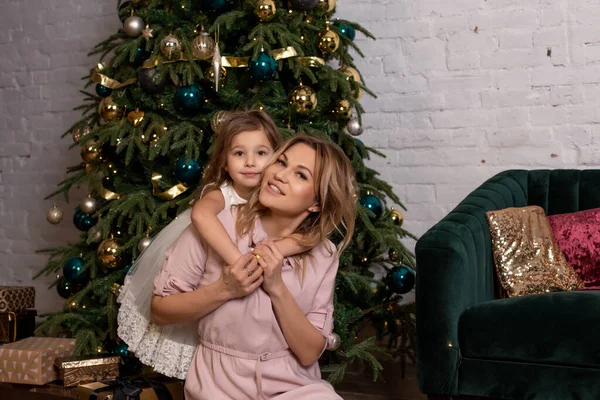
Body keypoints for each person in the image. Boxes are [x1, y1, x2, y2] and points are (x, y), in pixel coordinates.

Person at [151, 135, 357, 399]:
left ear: (316, 203)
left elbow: (309, 352)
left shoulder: (324, 254)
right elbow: (160, 311)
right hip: (219, 386)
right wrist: (224, 290)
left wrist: (278, 289)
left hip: (296, 387)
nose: (280, 175)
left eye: (301, 175)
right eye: (281, 162)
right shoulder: (216, 227)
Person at [117, 109, 283, 379]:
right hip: (210, 278)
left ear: (276, 158)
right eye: (239, 153)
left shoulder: (276, 200)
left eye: (261, 153)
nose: (250, 162)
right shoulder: (220, 195)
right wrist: (241, 262)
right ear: (225, 162)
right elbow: (200, 215)